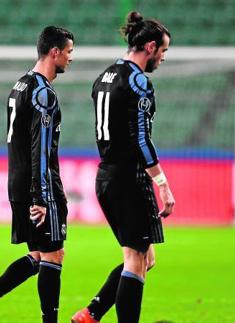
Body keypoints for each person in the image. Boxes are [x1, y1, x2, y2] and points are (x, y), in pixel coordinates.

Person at [0, 26, 74, 323]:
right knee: (53, 256)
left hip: (18, 180)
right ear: (55, 52)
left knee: (39, 256)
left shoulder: (20, 85)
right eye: (69, 52)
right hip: (39, 186)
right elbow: (40, 148)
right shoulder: (43, 94)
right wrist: (41, 196)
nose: (70, 58)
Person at [71, 11, 175, 323]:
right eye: (164, 52)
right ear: (151, 47)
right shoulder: (138, 82)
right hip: (129, 177)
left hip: (105, 176)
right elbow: (142, 139)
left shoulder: (103, 77)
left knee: (143, 257)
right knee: (135, 258)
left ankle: (90, 314)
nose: (163, 59)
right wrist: (163, 184)